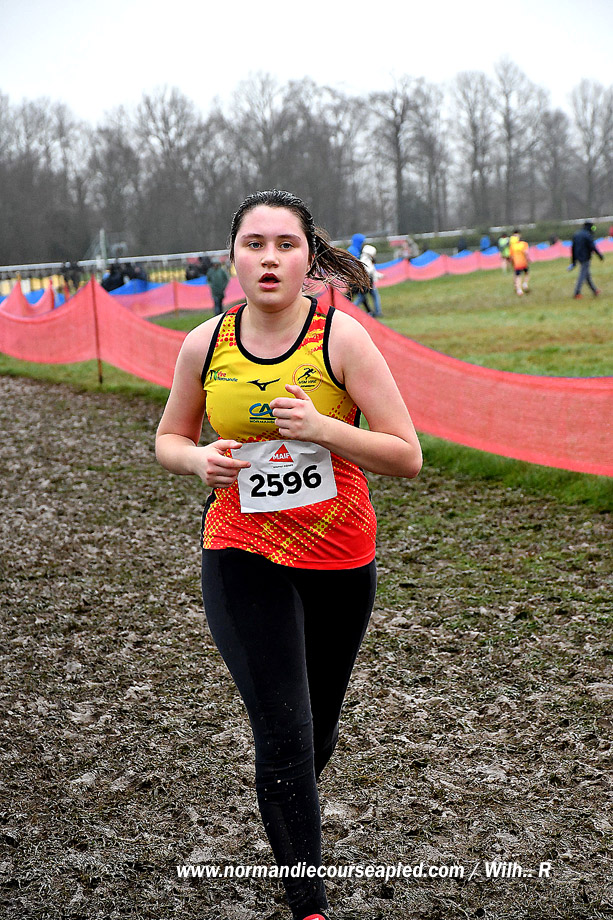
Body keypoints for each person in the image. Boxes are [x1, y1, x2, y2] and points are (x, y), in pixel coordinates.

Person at [155, 189, 422, 920]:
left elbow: (406, 455)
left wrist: (324, 429)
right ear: (232, 258)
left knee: (315, 730)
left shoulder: (342, 339)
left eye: (285, 245)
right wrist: (197, 460)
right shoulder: (204, 344)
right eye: (254, 244)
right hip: (241, 549)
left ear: (309, 259)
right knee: (282, 728)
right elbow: (169, 437)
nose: (269, 259)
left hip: (339, 558)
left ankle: (288, 796)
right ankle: (309, 904)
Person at [570, 220, 604, 299]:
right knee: (582, 275)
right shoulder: (587, 235)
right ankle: (577, 292)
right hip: (585, 257)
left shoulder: (576, 234)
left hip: (579, 257)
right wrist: (600, 255)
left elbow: (573, 248)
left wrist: (573, 261)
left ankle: (594, 290)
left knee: (587, 275)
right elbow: (593, 247)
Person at [355, 243, 383, 316]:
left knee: (371, 296)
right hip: (367, 283)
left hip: (367, 283)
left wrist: (380, 276)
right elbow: (369, 271)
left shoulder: (365, 259)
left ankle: (378, 312)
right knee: (362, 297)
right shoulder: (366, 260)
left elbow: (373, 272)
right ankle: (351, 308)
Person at [509, 228, 530, 296]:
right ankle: (525, 284)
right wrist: (528, 259)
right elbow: (526, 252)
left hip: (516, 263)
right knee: (526, 273)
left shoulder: (512, 246)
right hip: (524, 262)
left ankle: (519, 289)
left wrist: (512, 263)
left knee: (517, 276)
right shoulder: (524, 244)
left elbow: (511, 256)